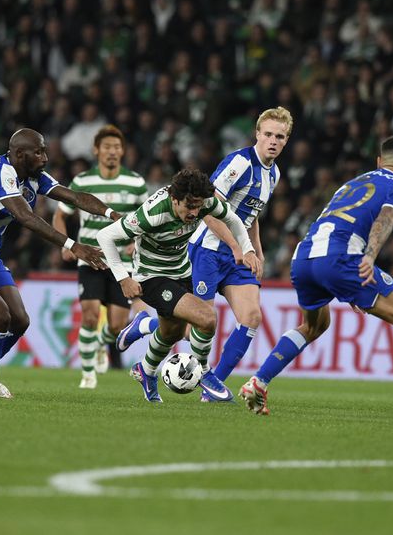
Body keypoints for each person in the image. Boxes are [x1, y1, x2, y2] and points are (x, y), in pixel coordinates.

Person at [238, 136, 393, 415]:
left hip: (304, 258)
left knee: (314, 326)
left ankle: (258, 382)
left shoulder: (352, 183)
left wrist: (344, 283)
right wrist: (368, 258)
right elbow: (385, 219)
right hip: (342, 257)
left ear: (379, 162)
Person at [115, 107, 293, 402]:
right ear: (257, 134)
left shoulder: (273, 173)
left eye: (280, 137)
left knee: (251, 317)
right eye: (269, 134)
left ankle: (211, 386)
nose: (273, 141)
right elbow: (208, 210)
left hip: (238, 255)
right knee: (193, 326)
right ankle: (145, 324)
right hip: (207, 251)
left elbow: (252, 216)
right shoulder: (239, 163)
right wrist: (237, 247)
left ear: (286, 140)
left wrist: (256, 251)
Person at [0, 128, 117, 399]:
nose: (45, 157)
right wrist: (73, 246)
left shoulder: (34, 176)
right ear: (18, 154)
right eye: (38, 152)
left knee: (20, 320)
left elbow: (74, 197)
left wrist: (113, 214)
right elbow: (25, 217)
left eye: (44, 151)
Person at [96, 168, 261, 403]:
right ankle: (204, 373)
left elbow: (233, 219)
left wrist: (248, 249)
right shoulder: (152, 214)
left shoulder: (203, 203)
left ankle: (146, 369)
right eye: (189, 206)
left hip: (182, 271)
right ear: (174, 199)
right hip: (152, 276)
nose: (194, 212)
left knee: (172, 333)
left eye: (198, 207)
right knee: (207, 318)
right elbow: (105, 236)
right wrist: (123, 278)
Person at [52, 124, 148, 389]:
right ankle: (87, 375)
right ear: (96, 150)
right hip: (90, 258)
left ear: (123, 151)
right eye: (107, 147)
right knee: (90, 316)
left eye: (116, 147)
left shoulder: (136, 183)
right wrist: (66, 244)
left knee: (117, 326)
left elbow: (147, 219)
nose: (112, 152)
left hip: (123, 263)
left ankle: (99, 345)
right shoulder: (82, 181)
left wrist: (137, 243)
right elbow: (60, 214)